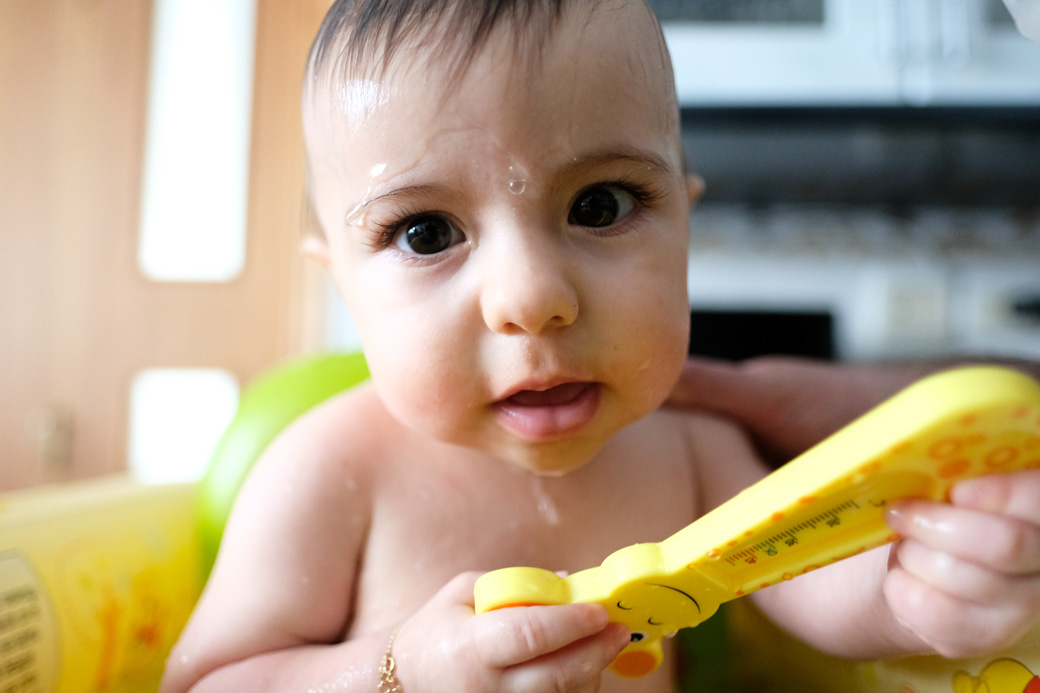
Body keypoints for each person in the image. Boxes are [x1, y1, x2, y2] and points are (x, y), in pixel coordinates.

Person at [161, 2, 1040, 691]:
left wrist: (924, 584)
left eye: (601, 206)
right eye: (427, 232)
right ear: (340, 282)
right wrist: (399, 672)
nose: (533, 298)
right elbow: (207, 683)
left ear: (686, 227)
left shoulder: (691, 449)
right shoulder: (329, 470)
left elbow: (820, 589)